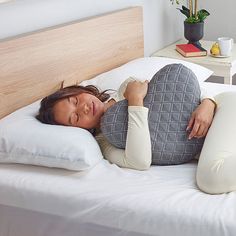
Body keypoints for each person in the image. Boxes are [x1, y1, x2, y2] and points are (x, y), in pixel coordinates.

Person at [37, 77, 217, 172]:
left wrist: (208, 103)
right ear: (76, 130)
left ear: (80, 90)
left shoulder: (127, 86)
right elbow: (140, 162)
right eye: (75, 118)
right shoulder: (106, 142)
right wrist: (135, 100)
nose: (83, 108)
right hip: (209, 146)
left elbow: (182, 89)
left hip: (220, 114)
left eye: (76, 100)